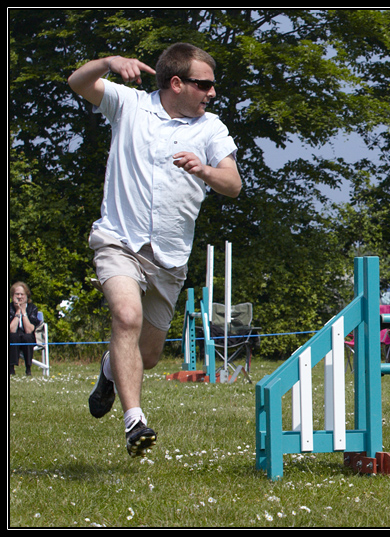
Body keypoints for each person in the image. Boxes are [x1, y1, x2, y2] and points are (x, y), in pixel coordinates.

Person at [68, 43, 241, 458]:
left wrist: (204, 169)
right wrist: (109, 62)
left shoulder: (211, 128)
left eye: (213, 86)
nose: (212, 93)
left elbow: (233, 185)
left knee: (148, 355)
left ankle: (110, 370)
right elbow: (78, 82)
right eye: (204, 84)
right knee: (126, 316)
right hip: (118, 239)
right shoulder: (129, 105)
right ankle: (134, 422)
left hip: (169, 256)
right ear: (177, 83)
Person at [9, 282, 41, 376]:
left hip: (27, 336)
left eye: (22, 294)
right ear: (12, 296)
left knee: (27, 338)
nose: (19, 296)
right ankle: (11, 369)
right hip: (13, 335)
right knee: (12, 337)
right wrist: (18, 311)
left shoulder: (32, 308)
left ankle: (28, 368)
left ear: (27, 296)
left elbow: (29, 330)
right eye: (17, 294)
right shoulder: (9, 308)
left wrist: (24, 312)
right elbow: (11, 329)